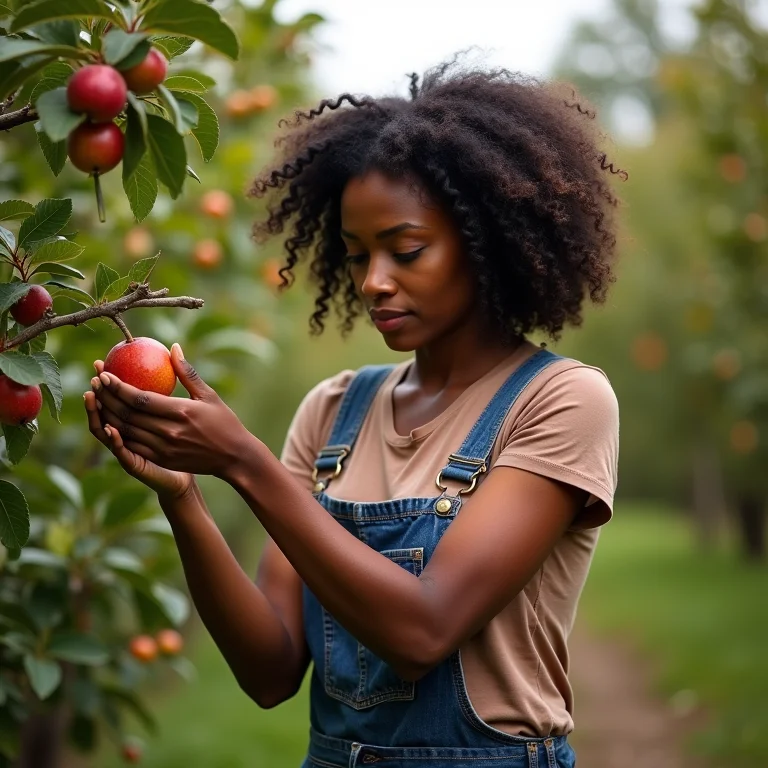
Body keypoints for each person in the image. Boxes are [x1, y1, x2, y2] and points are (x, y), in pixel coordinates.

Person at [84, 57, 622, 768]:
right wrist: (184, 497)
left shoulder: (561, 401)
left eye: (406, 251)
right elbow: (271, 672)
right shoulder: (335, 411)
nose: (373, 282)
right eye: (356, 254)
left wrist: (243, 461)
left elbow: (424, 631)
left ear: (485, 242)